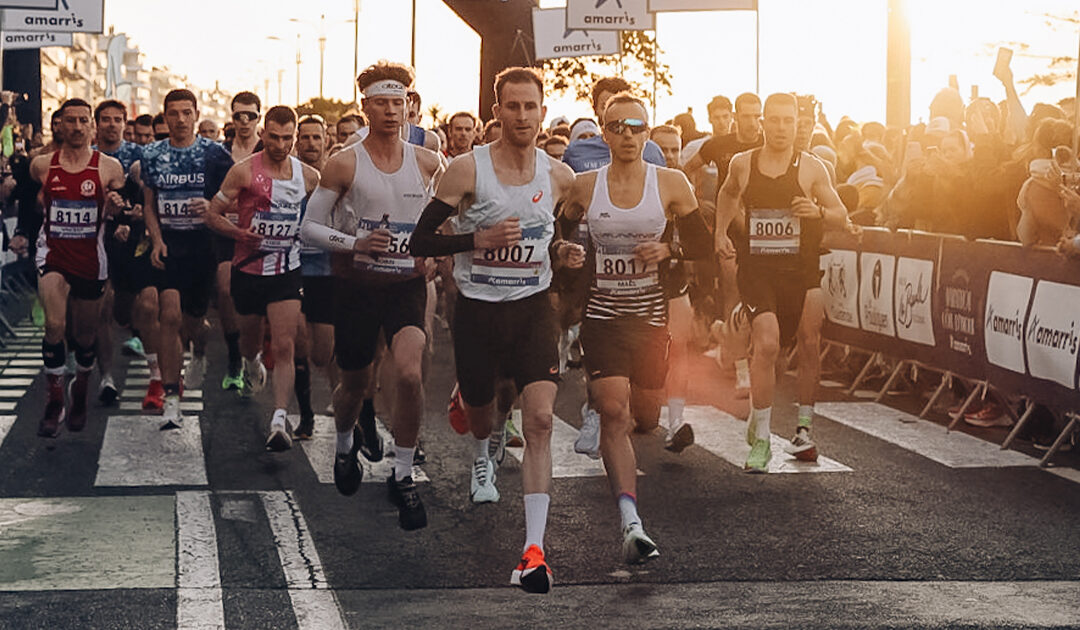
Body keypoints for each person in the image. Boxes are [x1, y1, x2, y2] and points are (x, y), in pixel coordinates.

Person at [411, 66, 576, 594]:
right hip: (478, 310)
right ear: (497, 112)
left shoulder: (559, 176)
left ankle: (534, 551)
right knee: (482, 411)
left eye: (531, 107)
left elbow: (553, 236)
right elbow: (419, 241)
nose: (523, 116)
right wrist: (474, 240)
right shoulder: (466, 170)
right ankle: (481, 451)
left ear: (542, 112)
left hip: (531, 308)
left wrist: (563, 253)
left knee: (542, 421)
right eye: (513, 107)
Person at [558, 92, 712, 562]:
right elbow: (557, 234)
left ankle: (629, 422)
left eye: (636, 127)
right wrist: (566, 254)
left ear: (648, 134)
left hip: (650, 317)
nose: (628, 134)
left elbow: (703, 246)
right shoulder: (585, 186)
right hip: (603, 315)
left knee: (644, 412)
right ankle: (631, 523)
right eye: (618, 127)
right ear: (604, 134)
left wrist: (669, 251)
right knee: (614, 411)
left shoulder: (671, 183)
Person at [300, 61, 443, 531]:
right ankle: (344, 443)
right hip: (357, 288)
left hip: (405, 286)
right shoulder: (345, 162)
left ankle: (403, 475)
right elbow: (310, 227)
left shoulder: (428, 162)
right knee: (356, 384)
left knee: (408, 371)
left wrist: (437, 253)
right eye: (380, 102)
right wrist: (355, 243)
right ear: (364, 107)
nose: (389, 110)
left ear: (408, 105)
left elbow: (443, 224)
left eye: (397, 102)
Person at [715, 93, 848, 472]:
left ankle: (804, 427)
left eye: (788, 121)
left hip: (801, 270)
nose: (780, 128)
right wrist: (720, 234)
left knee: (808, 342)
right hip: (759, 269)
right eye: (773, 120)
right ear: (762, 123)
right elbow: (727, 193)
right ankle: (762, 439)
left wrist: (817, 210)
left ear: (797, 123)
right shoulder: (743, 163)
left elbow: (840, 213)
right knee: (769, 343)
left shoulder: (813, 168)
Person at [206, 105, 319, 450]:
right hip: (249, 269)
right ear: (263, 134)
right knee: (251, 343)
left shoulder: (310, 177)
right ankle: (251, 361)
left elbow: (320, 218)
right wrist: (239, 233)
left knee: (284, 345)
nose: (280, 144)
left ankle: (279, 419)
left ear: (295, 137)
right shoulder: (243, 172)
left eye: (288, 138)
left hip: (287, 269)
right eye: (274, 137)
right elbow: (212, 214)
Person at [31, 98, 125, 436]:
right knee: (55, 325)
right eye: (70, 121)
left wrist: (115, 208)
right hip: (52, 254)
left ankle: (81, 388)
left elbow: (119, 211)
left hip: (90, 258)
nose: (77, 127)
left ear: (92, 126)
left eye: (83, 120)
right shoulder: (42, 165)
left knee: (85, 338)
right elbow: (35, 205)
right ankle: (55, 398)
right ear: (59, 125)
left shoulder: (109, 167)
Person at [141, 89, 219, 430]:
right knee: (168, 316)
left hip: (202, 245)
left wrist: (213, 207)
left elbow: (231, 198)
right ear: (166, 116)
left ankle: (200, 347)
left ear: (196, 115)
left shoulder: (214, 154)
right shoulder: (153, 154)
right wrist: (156, 240)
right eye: (174, 113)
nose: (181, 120)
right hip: (170, 244)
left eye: (187, 113)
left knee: (192, 322)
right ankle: (172, 397)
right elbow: (149, 203)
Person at [205, 92, 265, 392]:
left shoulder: (271, 149)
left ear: (259, 117)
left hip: (264, 235)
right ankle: (234, 357)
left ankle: (253, 354)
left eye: (250, 116)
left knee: (259, 301)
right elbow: (211, 201)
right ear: (231, 117)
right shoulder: (218, 155)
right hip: (227, 232)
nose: (244, 122)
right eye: (239, 115)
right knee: (226, 289)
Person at [92, 99, 144, 405]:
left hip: (131, 238)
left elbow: (145, 199)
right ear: (96, 124)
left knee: (122, 308)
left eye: (117, 120)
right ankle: (106, 378)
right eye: (106, 119)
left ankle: (132, 331)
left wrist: (131, 218)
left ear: (125, 124)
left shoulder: (137, 157)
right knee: (100, 308)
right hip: (95, 238)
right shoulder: (86, 157)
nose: (111, 124)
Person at [292, 114, 334, 439]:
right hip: (293, 272)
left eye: (315, 138)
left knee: (325, 352)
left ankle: (341, 403)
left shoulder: (338, 176)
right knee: (298, 347)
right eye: (304, 137)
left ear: (325, 140)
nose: (310, 144)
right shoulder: (288, 177)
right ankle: (305, 416)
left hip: (327, 272)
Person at [563, 76, 665, 174]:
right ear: (595, 109)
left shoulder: (652, 151)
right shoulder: (576, 152)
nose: (615, 115)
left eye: (621, 107)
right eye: (605, 106)